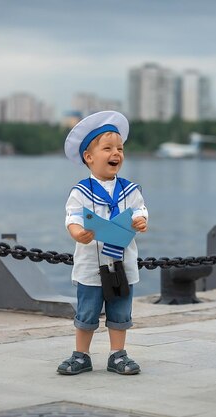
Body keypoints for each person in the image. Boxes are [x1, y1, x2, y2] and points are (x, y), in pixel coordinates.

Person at [57, 111, 148, 375]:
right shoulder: (81, 191)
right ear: (89, 157)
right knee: (87, 312)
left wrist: (141, 221)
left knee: (120, 311)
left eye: (119, 148)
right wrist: (77, 232)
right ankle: (81, 355)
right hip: (91, 265)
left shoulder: (130, 190)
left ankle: (117, 354)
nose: (116, 153)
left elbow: (140, 210)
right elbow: (72, 216)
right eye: (107, 148)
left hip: (122, 264)